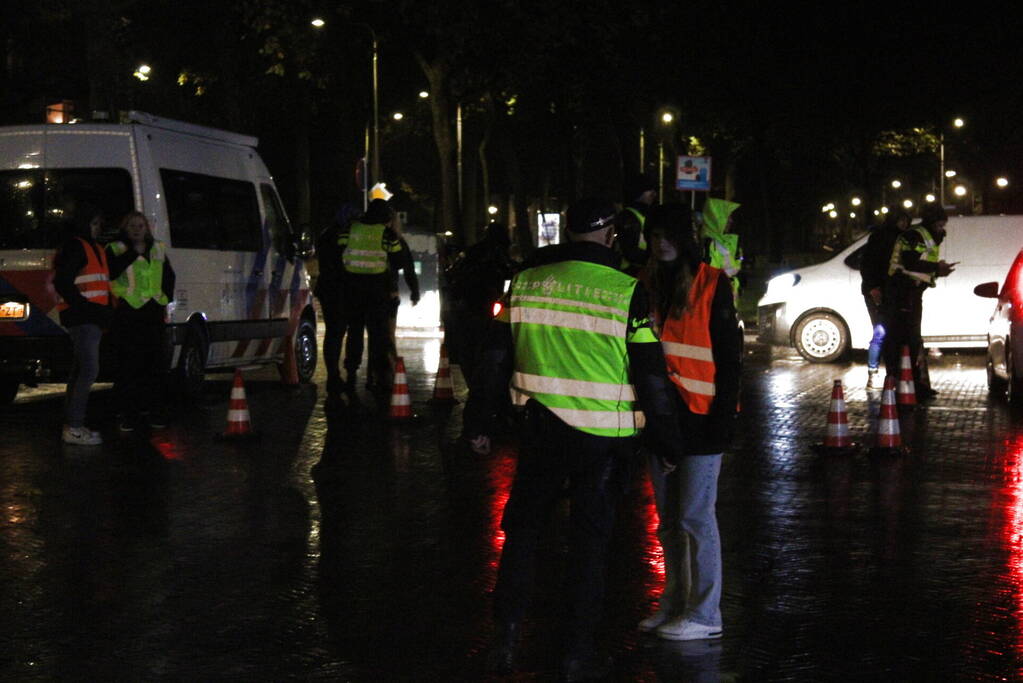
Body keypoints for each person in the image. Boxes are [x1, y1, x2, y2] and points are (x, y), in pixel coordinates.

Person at [464, 198, 684, 680]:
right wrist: (668, 443)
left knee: (521, 535)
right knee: (589, 547)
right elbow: (651, 377)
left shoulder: (525, 282)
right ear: (610, 235)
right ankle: (575, 655)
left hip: (539, 431)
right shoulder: (627, 291)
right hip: (604, 442)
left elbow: (493, 360)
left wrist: (477, 423)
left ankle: (504, 640)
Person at [636, 203, 742, 641]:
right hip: (660, 419)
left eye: (669, 234)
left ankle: (705, 614)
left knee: (696, 518)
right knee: (669, 520)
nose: (661, 242)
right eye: (654, 234)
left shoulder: (711, 283)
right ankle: (675, 604)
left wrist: (722, 420)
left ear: (684, 238)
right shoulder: (642, 284)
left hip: (701, 418)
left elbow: (729, 358)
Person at [106, 211, 176, 432]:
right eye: (132, 226)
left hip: (153, 311)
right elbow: (111, 272)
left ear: (147, 228)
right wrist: (132, 254)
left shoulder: (157, 248)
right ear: (124, 229)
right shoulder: (115, 249)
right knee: (128, 365)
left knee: (155, 364)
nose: (137, 229)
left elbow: (169, 276)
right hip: (128, 312)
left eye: (141, 226)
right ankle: (127, 414)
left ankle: (154, 411)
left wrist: (165, 298)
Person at [53, 205, 113, 445]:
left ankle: (73, 425)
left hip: (87, 317)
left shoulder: (90, 247)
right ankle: (74, 427)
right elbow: (63, 282)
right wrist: (86, 308)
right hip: (85, 318)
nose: (99, 228)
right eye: (95, 223)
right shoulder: (79, 246)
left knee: (81, 370)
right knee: (88, 370)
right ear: (85, 224)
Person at [335, 198, 404, 402]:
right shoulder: (386, 234)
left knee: (354, 332)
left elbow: (339, 249)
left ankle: (351, 373)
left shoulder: (351, 229)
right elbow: (398, 260)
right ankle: (374, 377)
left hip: (353, 289)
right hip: (377, 291)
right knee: (377, 335)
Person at [883, 204, 955, 398]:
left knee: (911, 338)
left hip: (911, 292)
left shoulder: (925, 236)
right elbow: (909, 262)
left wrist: (937, 271)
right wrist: (936, 268)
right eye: (940, 225)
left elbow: (918, 266)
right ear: (932, 222)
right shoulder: (916, 235)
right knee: (906, 338)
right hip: (902, 292)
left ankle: (913, 383)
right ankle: (907, 385)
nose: (942, 229)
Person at [444, 222, 514, 386]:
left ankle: (473, 382)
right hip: (486, 303)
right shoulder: (497, 253)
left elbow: (454, 275)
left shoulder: (471, 252)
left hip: (466, 304)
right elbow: (508, 271)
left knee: (468, 347)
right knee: (487, 345)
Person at [859, 209, 910, 389]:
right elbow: (868, 265)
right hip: (879, 292)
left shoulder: (902, 238)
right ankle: (874, 372)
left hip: (891, 291)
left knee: (887, 333)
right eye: (901, 220)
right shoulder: (881, 238)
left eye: (906, 221)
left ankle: (890, 373)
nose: (904, 224)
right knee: (881, 332)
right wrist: (873, 288)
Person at [315, 202, 361, 397]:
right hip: (345, 288)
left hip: (329, 289)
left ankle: (334, 374)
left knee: (334, 332)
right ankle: (347, 373)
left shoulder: (326, 235)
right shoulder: (347, 236)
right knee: (349, 330)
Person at [700, 197, 743, 301]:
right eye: (728, 217)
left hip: (726, 299)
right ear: (717, 218)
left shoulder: (727, 242)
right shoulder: (707, 245)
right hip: (715, 301)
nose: (731, 221)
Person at [616, 172, 657, 274]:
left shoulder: (644, 214)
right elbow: (631, 252)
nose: (653, 194)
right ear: (638, 192)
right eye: (649, 189)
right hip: (630, 272)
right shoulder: (629, 217)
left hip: (640, 270)